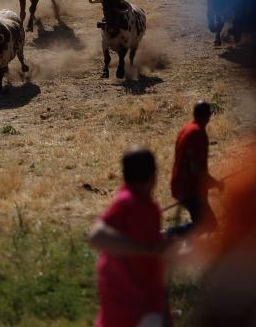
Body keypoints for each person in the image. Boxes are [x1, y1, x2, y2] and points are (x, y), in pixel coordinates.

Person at [88, 147, 173, 327]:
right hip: (128, 310)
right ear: (153, 175)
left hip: (143, 306)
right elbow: (97, 235)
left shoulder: (148, 207)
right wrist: (146, 249)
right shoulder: (127, 202)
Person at [167, 101, 223, 237]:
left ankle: (181, 240)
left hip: (181, 185)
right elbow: (195, 169)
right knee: (208, 224)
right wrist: (214, 182)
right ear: (208, 115)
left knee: (202, 223)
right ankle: (169, 234)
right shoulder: (197, 134)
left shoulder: (186, 129)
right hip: (190, 189)